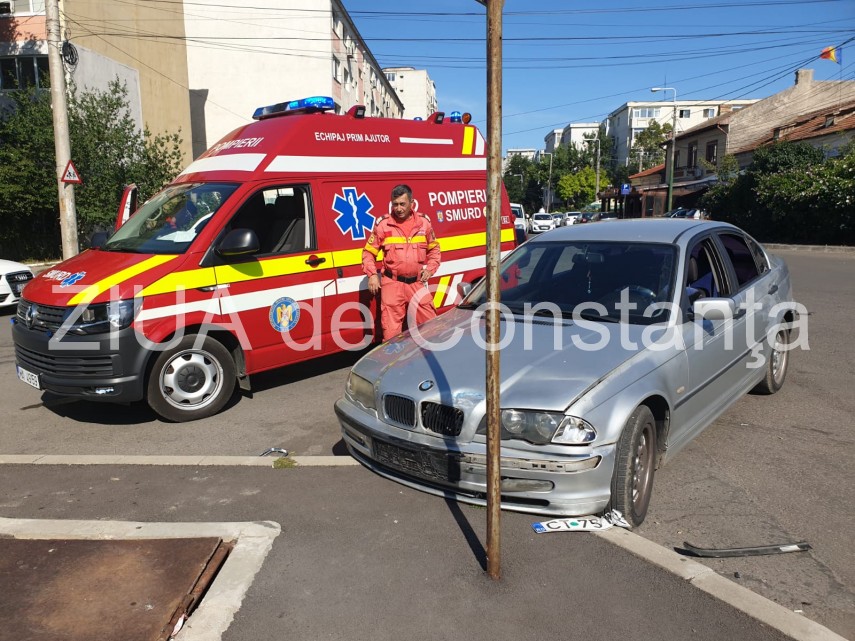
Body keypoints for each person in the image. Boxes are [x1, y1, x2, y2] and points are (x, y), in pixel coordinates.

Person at [362, 184, 441, 341]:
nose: (398, 208)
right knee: (391, 335)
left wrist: (430, 269)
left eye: (402, 204)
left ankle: (430, 362)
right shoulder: (384, 224)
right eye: (395, 204)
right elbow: (368, 253)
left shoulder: (424, 223)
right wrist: (371, 274)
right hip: (392, 284)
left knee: (431, 328)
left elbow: (434, 250)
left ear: (412, 203)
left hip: (416, 283)